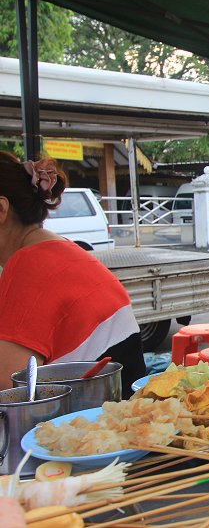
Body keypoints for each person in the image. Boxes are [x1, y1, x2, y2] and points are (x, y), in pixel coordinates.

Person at [0, 152, 145, 396]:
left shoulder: (28, 267)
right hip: (126, 409)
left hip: (99, 422)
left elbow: (10, 390)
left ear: (1, 209)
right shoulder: (62, 249)